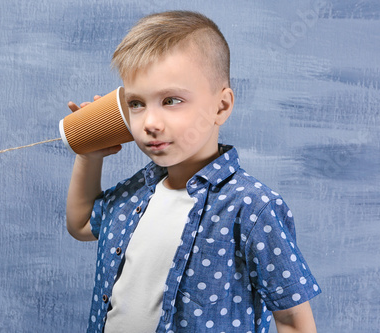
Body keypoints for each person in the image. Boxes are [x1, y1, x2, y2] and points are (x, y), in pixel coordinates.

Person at [66, 10, 321, 333]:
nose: (150, 123)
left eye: (171, 100)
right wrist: (89, 155)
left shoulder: (251, 208)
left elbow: (293, 322)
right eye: (136, 103)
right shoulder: (136, 193)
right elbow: (82, 224)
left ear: (221, 106)